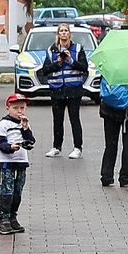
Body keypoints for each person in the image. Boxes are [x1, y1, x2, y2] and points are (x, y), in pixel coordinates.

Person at [39, 23, 89, 157]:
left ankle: (78, 148)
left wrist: (71, 60)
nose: (64, 33)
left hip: (74, 90)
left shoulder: (77, 48)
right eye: (61, 31)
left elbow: (84, 67)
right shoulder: (51, 50)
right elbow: (45, 70)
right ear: (58, 34)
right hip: (57, 89)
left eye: (66, 30)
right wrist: (58, 62)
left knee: (74, 119)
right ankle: (57, 147)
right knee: (57, 119)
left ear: (69, 33)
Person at [0, 92, 35, 233]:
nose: (19, 111)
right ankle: (3, 218)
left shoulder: (24, 124)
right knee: (7, 190)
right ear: (8, 108)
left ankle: (13, 216)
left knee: (18, 191)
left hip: (21, 161)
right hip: (7, 162)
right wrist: (10, 148)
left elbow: (31, 141)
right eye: (15, 108)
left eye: (22, 108)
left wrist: (25, 129)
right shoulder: (3, 124)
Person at [98, 77, 128, 188]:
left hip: (108, 109)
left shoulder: (110, 63)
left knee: (110, 144)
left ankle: (106, 176)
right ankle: (125, 178)